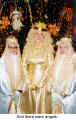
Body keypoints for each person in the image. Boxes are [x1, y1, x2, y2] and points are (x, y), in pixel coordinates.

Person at [20, 22, 54, 114]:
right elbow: (23, 65)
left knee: (42, 108)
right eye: (36, 34)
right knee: (29, 107)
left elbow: (50, 67)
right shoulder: (27, 49)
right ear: (32, 36)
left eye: (41, 35)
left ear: (45, 37)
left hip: (43, 84)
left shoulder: (48, 50)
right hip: (29, 83)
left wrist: (42, 82)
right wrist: (28, 81)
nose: (38, 37)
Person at [51, 37, 76, 114]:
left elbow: (73, 78)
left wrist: (66, 89)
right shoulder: (57, 58)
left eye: (65, 47)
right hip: (56, 92)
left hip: (67, 95)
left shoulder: (74, 58)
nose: (62, 50)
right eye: (60, 47)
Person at [0, 35, 24, 114]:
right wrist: (10, 92)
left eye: (15, 47)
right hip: (6, 96)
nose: (13, 50)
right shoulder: (2, 61)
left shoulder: (20, 61)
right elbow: (2, 79)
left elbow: (24, 77)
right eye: (11, 47)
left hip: (19, 95)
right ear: (7, 47)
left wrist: (20, 89)